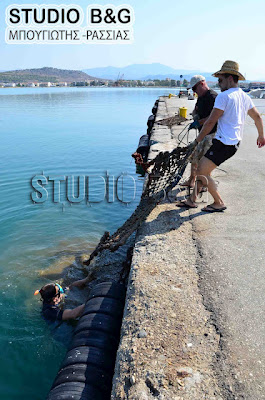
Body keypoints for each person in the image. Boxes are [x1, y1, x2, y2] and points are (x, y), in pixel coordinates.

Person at [178, 60, 265, 212]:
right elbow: (257, 117)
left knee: (201, 171)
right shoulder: (244, 96)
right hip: (234, 143)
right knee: (204, 169)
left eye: (220, 80)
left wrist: (197, 141)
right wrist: (261, 136)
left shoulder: (223, 97)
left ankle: (218, 202)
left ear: (230, 78)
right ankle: (192, 200)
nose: (218, 83)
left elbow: (211, 122)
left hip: (224, 143)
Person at [180, 75, 218, 189]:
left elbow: (214, 117)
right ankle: (192, 180)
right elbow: (197, 108)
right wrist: (195, 115)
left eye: (194, 88)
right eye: (192, 90)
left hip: (212, 134)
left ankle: (205, 184)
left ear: (202, 83)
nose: (194, 91)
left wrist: (200, 122)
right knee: (195, 157)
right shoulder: (201, 96)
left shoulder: (213, 97)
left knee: (205, 161)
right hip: (202, 134)